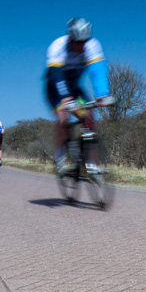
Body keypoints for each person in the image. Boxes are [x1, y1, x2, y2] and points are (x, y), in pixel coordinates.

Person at [45, 17, 114, 174]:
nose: (81, 46)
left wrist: (103, 94)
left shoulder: (92, 46)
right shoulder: (57, 47)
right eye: (77, 42)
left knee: (88, 116)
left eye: (84, 41)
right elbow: (57, 75)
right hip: (55, 88)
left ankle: (92, 165)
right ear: (70, 37)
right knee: (63, 117)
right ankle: (60, 156)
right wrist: (66, 99)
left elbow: (98, 71)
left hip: (75, 88)